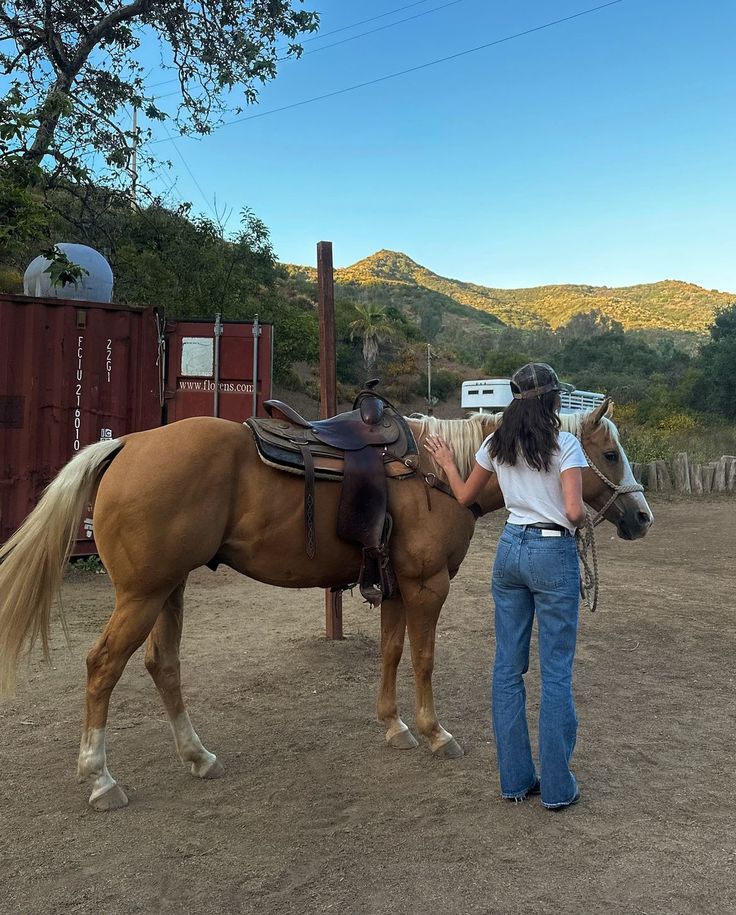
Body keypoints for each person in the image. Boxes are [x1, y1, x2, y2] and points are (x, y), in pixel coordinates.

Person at [424, 363, 587, 810]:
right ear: (554, 400)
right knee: (555, 671)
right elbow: (573, 512)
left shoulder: (496, 443)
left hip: (510, 548)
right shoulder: (566, 445)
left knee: (507, 669)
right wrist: (581, 517)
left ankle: (515, 780)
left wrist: (444, 462)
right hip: (552, 552)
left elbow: (463, 497)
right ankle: (556, 788)